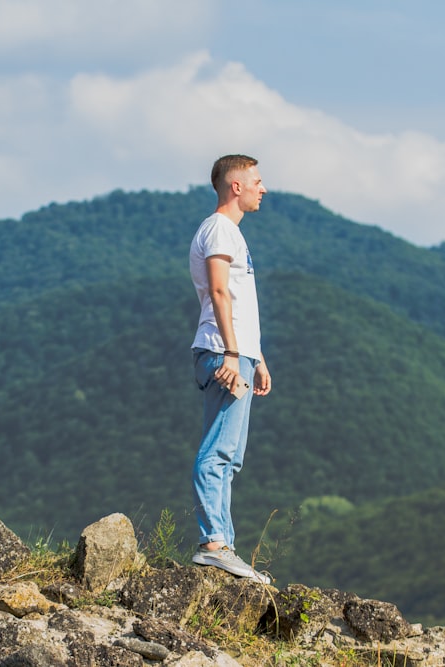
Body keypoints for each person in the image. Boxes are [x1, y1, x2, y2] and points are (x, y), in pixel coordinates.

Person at [189, 154, 272, 584]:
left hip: (237, 353)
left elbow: (238, 302)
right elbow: (219, 292)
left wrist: (256, 359)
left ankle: (224, 545)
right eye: (256, 181)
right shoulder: (220, 229)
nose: (263, 188)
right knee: (218, 450)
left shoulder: (230, 233)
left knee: (231, 456)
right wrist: (234, 356)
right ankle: (213, 544)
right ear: (235, 185)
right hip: (224, 353)